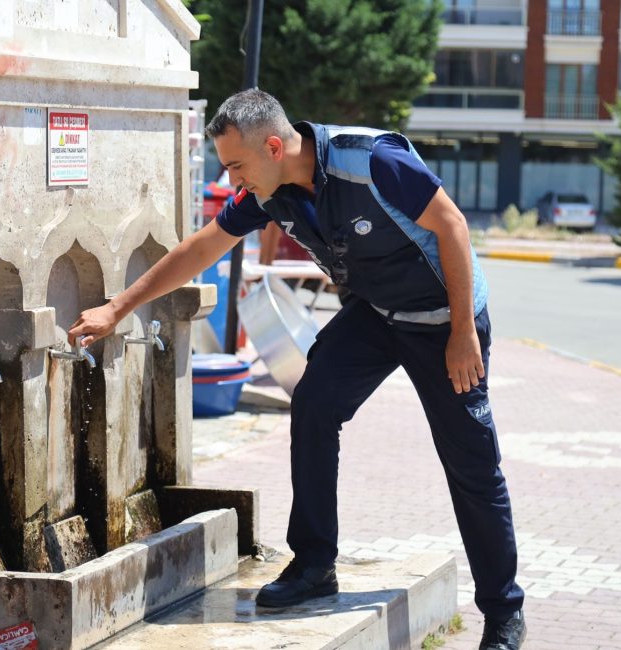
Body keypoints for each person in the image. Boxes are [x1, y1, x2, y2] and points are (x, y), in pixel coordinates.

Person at [68, 89, 526, 650]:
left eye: (236, 164)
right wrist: (119, 307)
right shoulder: (269, 189)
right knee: (313, 403)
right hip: (378, 313)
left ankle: (504, 612)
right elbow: (202, 248)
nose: (232, 178)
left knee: (471, 462)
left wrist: (461, 333)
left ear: (276, 146)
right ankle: (313, 565)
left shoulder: (372, 161)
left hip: (444, 317)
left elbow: (452, 226)